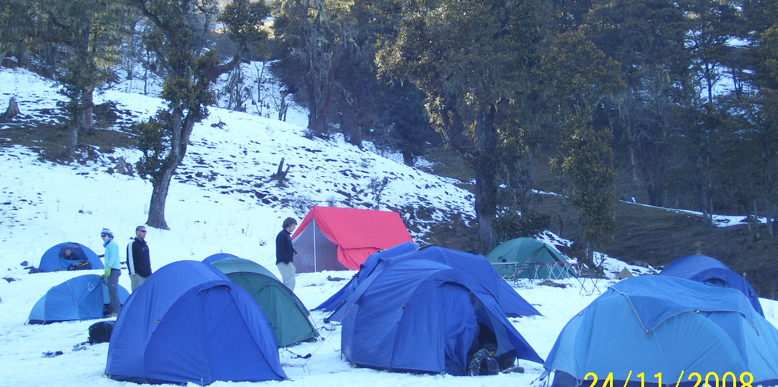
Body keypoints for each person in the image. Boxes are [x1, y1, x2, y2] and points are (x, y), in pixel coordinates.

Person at [101, 228, 122, 317]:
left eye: (104, 236)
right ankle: (112, 309)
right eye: (102, 236)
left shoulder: (112, 244)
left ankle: (117, 311)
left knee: (113, 290)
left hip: (114, 269)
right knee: (111, 290)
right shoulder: (108, 245)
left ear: (109, 236)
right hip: (111, 270)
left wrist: (109, 267)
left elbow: (112, 257)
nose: (103, 238)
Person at [126, 225, 152, 292]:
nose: (144, 233)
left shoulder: (145, 246)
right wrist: (133, 273)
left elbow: (148, 260)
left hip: (146, 275)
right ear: (137, 232)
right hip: (137, 275)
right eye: (142, 231)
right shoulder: (132, 244)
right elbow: (130, 259)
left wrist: (149, 273)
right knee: (137, 294)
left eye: (145, 232)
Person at [275, 217, 298, 291]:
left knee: (290, 282)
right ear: (289, 224)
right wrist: (287, 261)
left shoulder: (286, 235)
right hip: (283, 262)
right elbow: (280, 250)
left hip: (287, 262)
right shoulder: (282, 235)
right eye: (294, 225)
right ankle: (287, 299)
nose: (294, 228)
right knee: (289, 283)